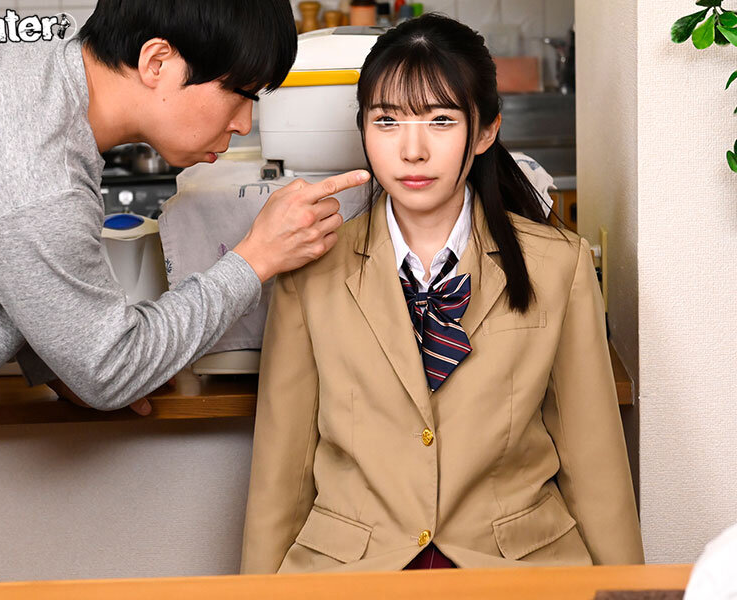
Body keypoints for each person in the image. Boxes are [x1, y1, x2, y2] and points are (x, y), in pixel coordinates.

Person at [0, 0, 368, 583]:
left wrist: (59, 353)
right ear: (157, 61)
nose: (244, 123)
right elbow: (111, 369)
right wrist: (255, 259)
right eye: (240, 93)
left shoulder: (30, 83)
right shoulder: (35, 169)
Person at [241, 14, 644, 573]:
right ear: (362, 129)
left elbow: (594, 464)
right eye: (387, 121)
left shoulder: (558, 265)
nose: (412, 150)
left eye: (440, 120)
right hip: (356, 571)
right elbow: (280, 472)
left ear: (485, 131)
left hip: (514, 569)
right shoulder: (310, 270)